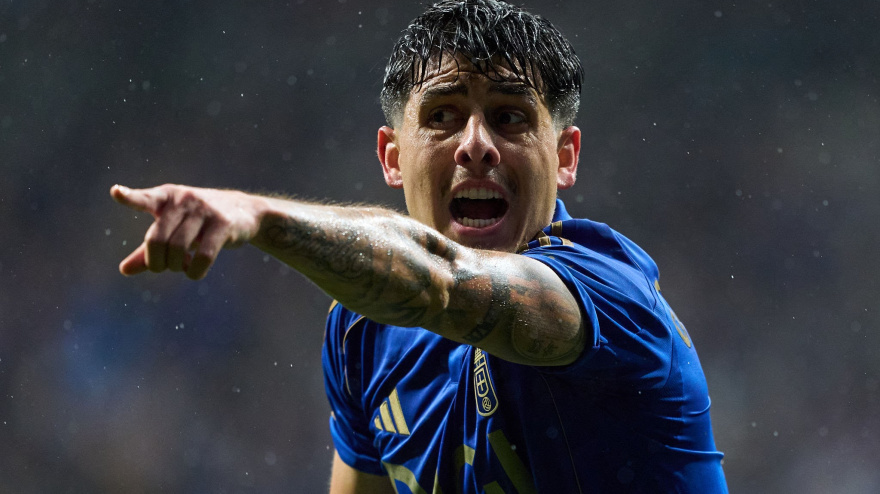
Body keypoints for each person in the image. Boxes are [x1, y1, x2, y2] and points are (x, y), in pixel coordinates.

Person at [111, 0, 728, 491]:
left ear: (565, 158)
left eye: (510, 116)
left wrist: (262, 216)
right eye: (443, 115)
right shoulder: (362, 333)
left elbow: (444, 283)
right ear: (392, 158)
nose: (475, 144)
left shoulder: (608, 293)